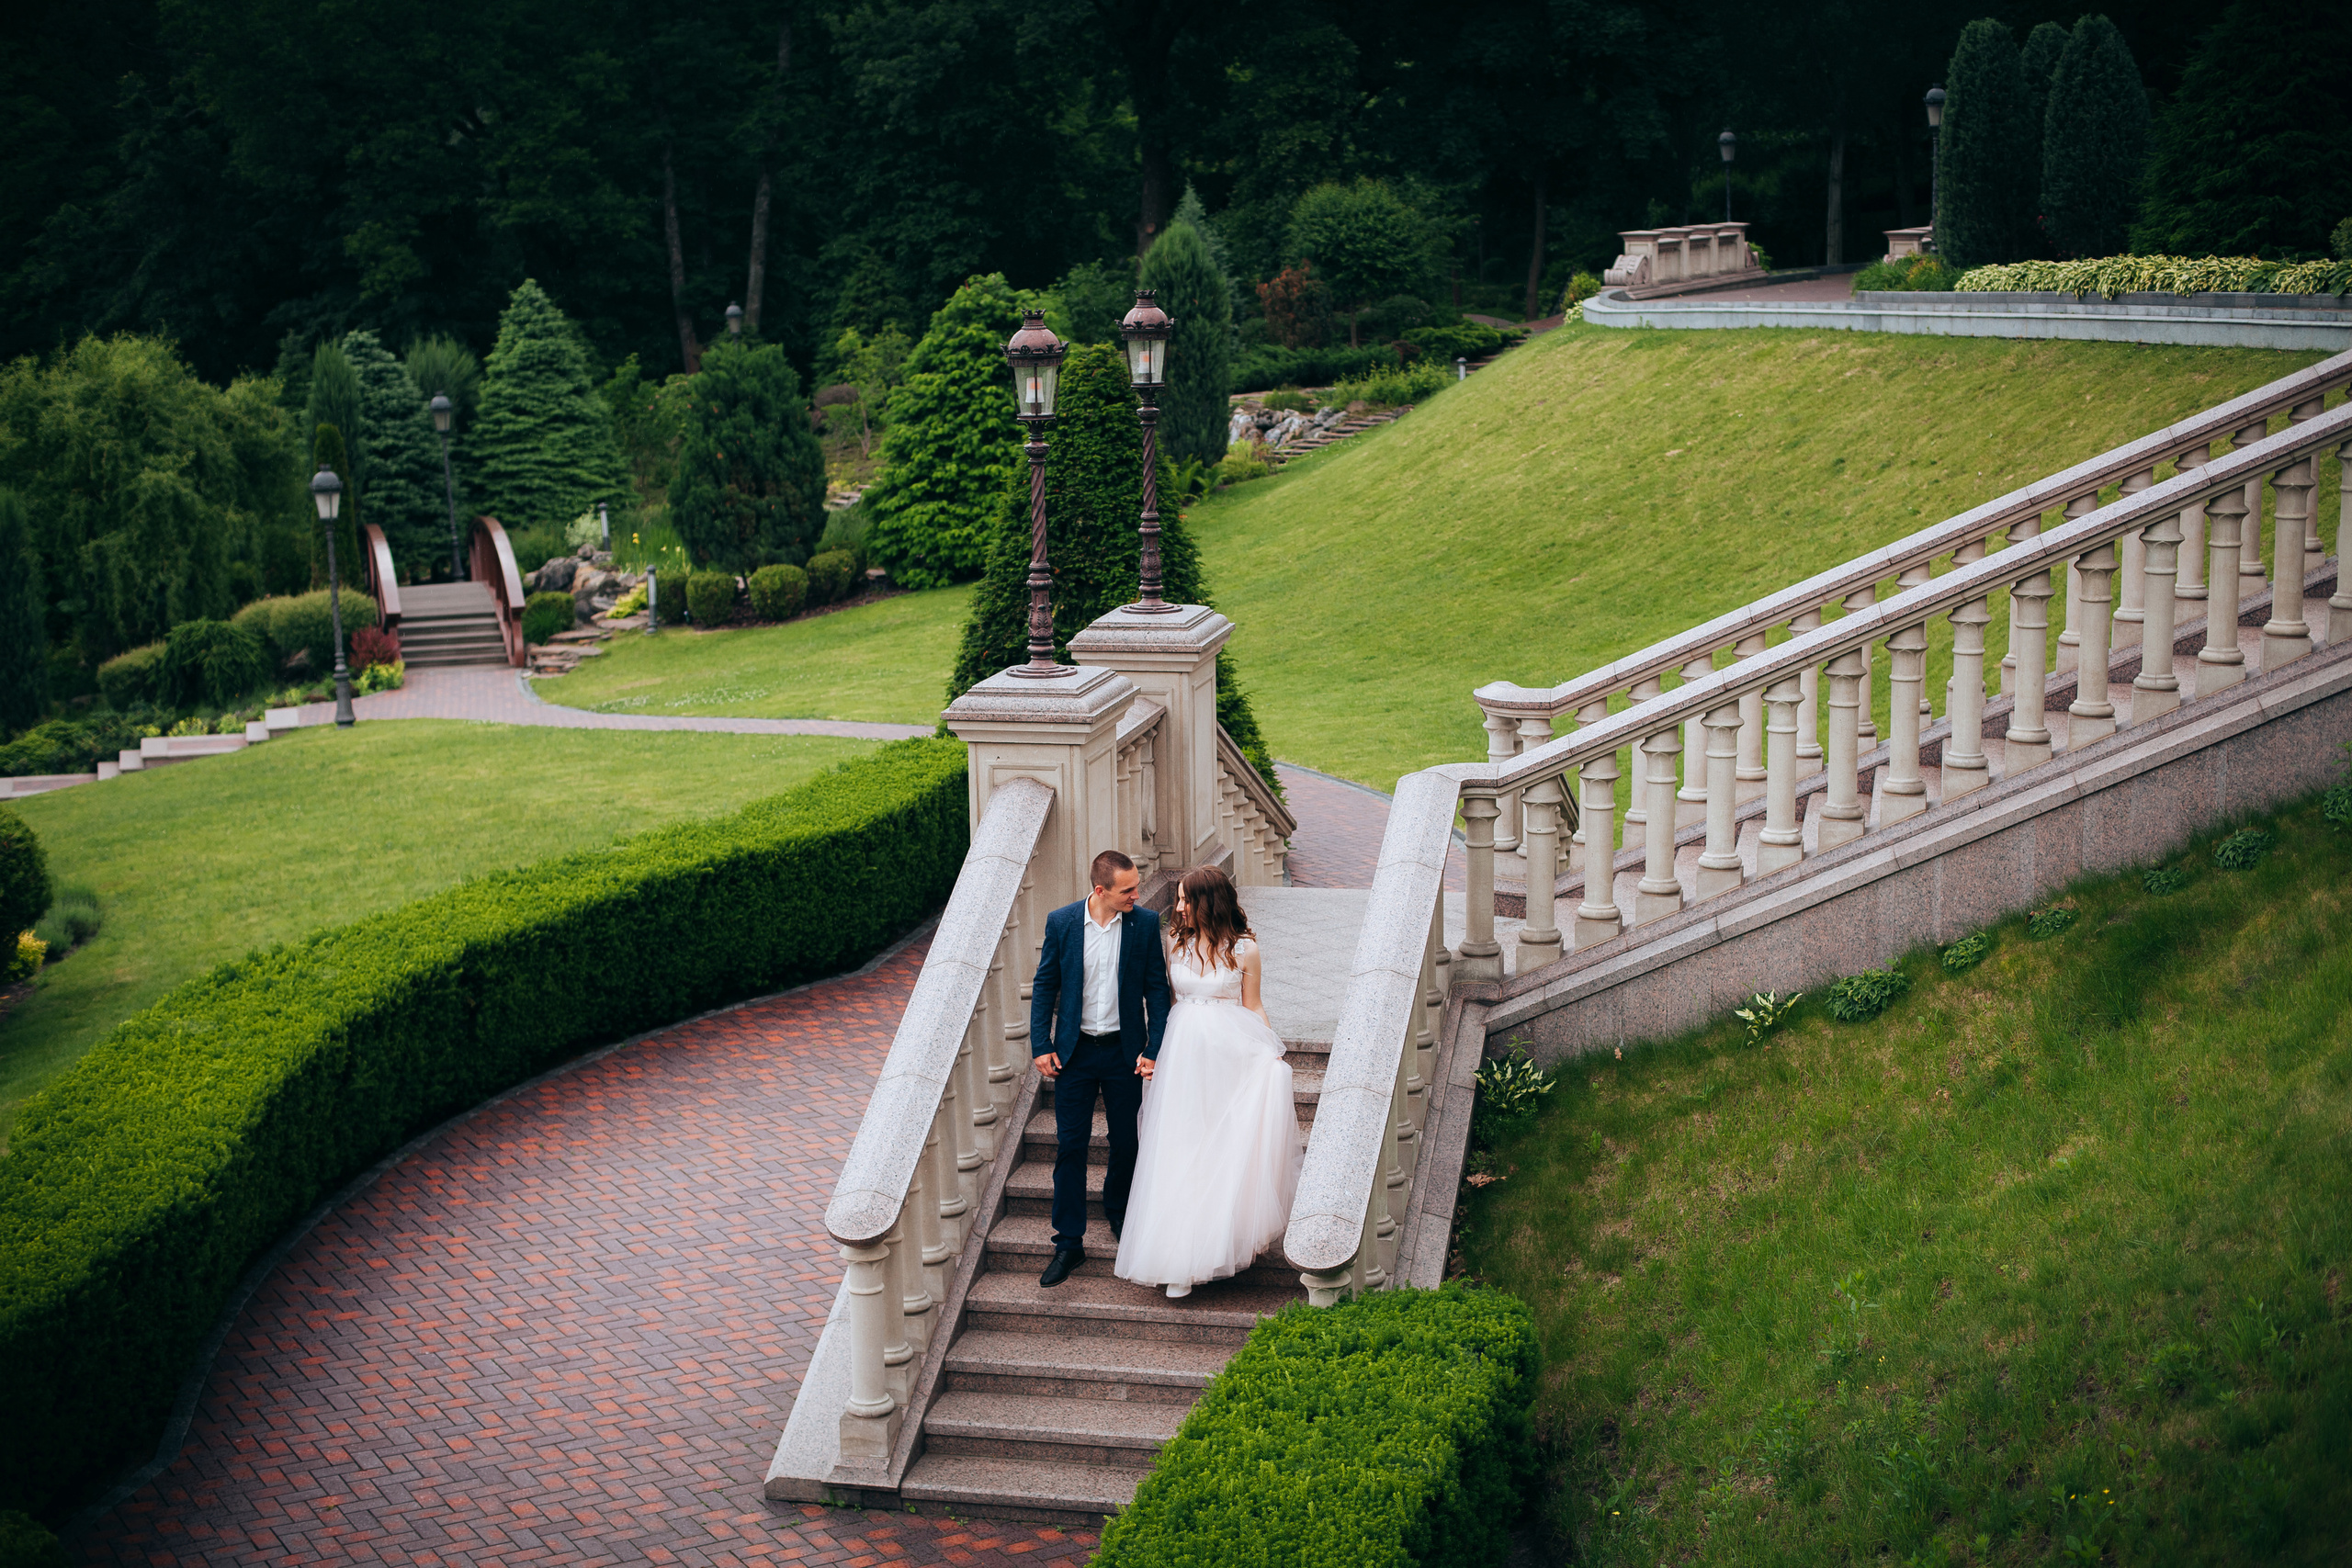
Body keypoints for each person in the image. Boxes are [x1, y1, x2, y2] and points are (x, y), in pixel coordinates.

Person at [1114, 864, 1302, 1299]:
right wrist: (1155, 1051)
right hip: (1183, 1054)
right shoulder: (1174, 943)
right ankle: (1176, 1256)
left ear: (1207, 902)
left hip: (1228, 1052)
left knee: (1221, 1144)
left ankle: (1217, 1241)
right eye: (1177, 898)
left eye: (1184, 899)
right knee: (1180, 1144)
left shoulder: (1245, 949)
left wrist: (1271, 1050)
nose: (1177, 906)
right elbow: (1169, 1001)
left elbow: (1253, 1006)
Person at [1028, 849, 1171, 1288]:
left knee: (1126, 1140)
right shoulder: (1063, 922)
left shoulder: (1144, 925)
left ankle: (1120, 1214)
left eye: (1137, 887)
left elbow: (1157, 991)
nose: (1137, 895)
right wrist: (1040, 1043)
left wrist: (1153, 1048)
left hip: (1124, 1055)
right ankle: (1068, 1242)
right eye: (1128, 889)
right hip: (1074, 1054)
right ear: (1100, 890)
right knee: (1070, 1145)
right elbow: (1045, 984)